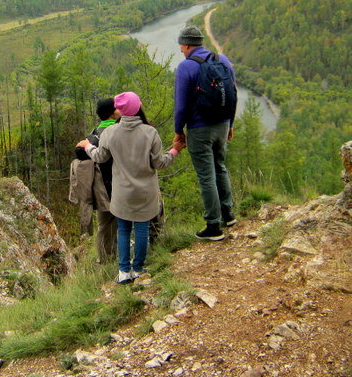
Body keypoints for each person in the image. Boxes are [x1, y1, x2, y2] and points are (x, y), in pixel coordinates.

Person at [77, 91, 183, 284]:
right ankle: (139, 268)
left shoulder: (110, 133)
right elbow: (159, 164)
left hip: (121, 192)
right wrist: (175, 150)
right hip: (145, 192)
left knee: (124, 230)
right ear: (137, 108)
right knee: (141, 228)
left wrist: (87, 147)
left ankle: (124, 271)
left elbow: (100, 157)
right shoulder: (150, 132)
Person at [173, 25, 237, 241]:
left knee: (206, 176)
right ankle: (228, 215)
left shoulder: (186, 67)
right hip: (222, 125)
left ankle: (213, 225)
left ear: (188, 44)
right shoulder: (222, 59)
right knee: (220, 167)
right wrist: (230, 124)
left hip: (199, 128)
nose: (181, 49)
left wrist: (178, 131)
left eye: (181, 45)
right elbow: (233, 93)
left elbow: (181, 105)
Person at [71, 98, 118, 263]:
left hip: (99, 188)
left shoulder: (94, 132)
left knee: (104, 226)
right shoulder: (116, 130)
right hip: (115, 184)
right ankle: (115, 259)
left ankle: (105, 260)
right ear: (113, 113)